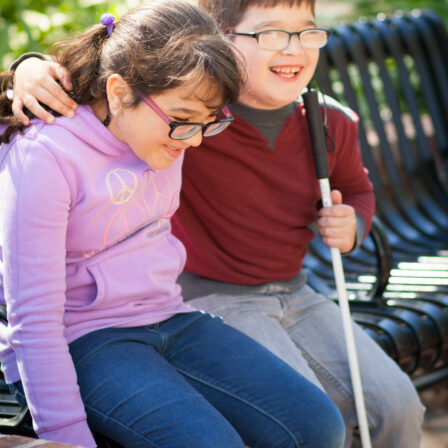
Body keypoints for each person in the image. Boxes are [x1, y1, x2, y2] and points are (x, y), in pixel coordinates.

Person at [8, 0, 425, 447]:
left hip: (170, 315)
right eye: (184, 123)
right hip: (84, 337)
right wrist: (65, 438)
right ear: (116, 92)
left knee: (317, 425)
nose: (193, 142)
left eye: (209, 124)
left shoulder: (182, 123)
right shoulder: (47, 156)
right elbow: (33, 320)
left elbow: (169, 33)